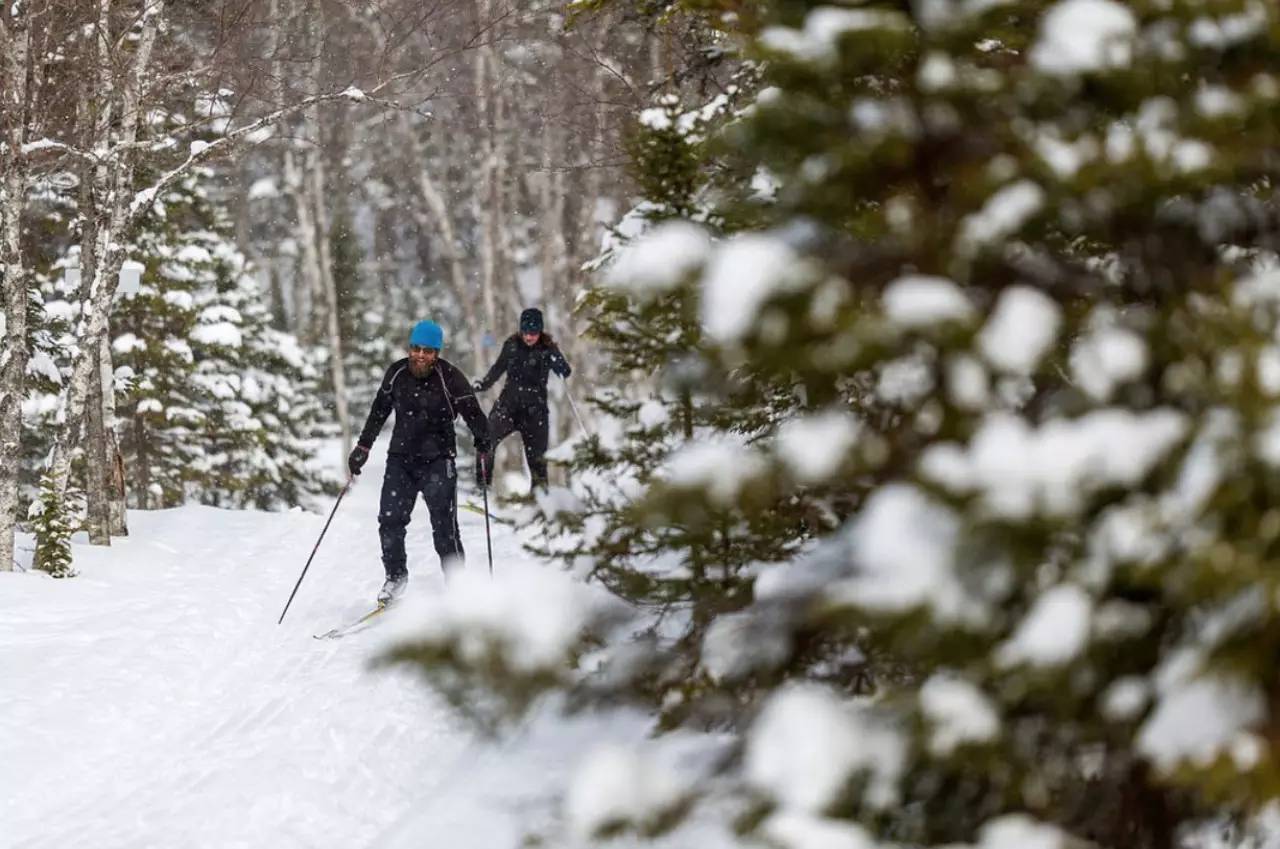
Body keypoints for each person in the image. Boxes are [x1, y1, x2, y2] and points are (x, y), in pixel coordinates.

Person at [347, 319, 490, 604]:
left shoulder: (450, 377)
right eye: (415, 348)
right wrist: (363, 446)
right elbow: (379, 411)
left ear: (436, 353)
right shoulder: (397, 373)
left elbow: (473, 412)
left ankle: (457, 581)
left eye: (427, 350)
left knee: (444, 526)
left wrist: (483, 440)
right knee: (390, 520)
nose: (420, 355)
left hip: (439, 460)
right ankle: (395, 577)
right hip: (401, 459)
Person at [473, 308, 572, 492]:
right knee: (485, 440)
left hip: (535, 413)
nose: (529, 337)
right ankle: (482, 487)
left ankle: (539, 499)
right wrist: (483, 384)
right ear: (520, 330)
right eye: (526, 332)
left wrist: (556, 361)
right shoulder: (511, 345)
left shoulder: (548, 348)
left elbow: (565, 371)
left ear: (540, 331)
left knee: (538, 463)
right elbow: (498, 368)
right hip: (508, 407)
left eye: (533, 334)